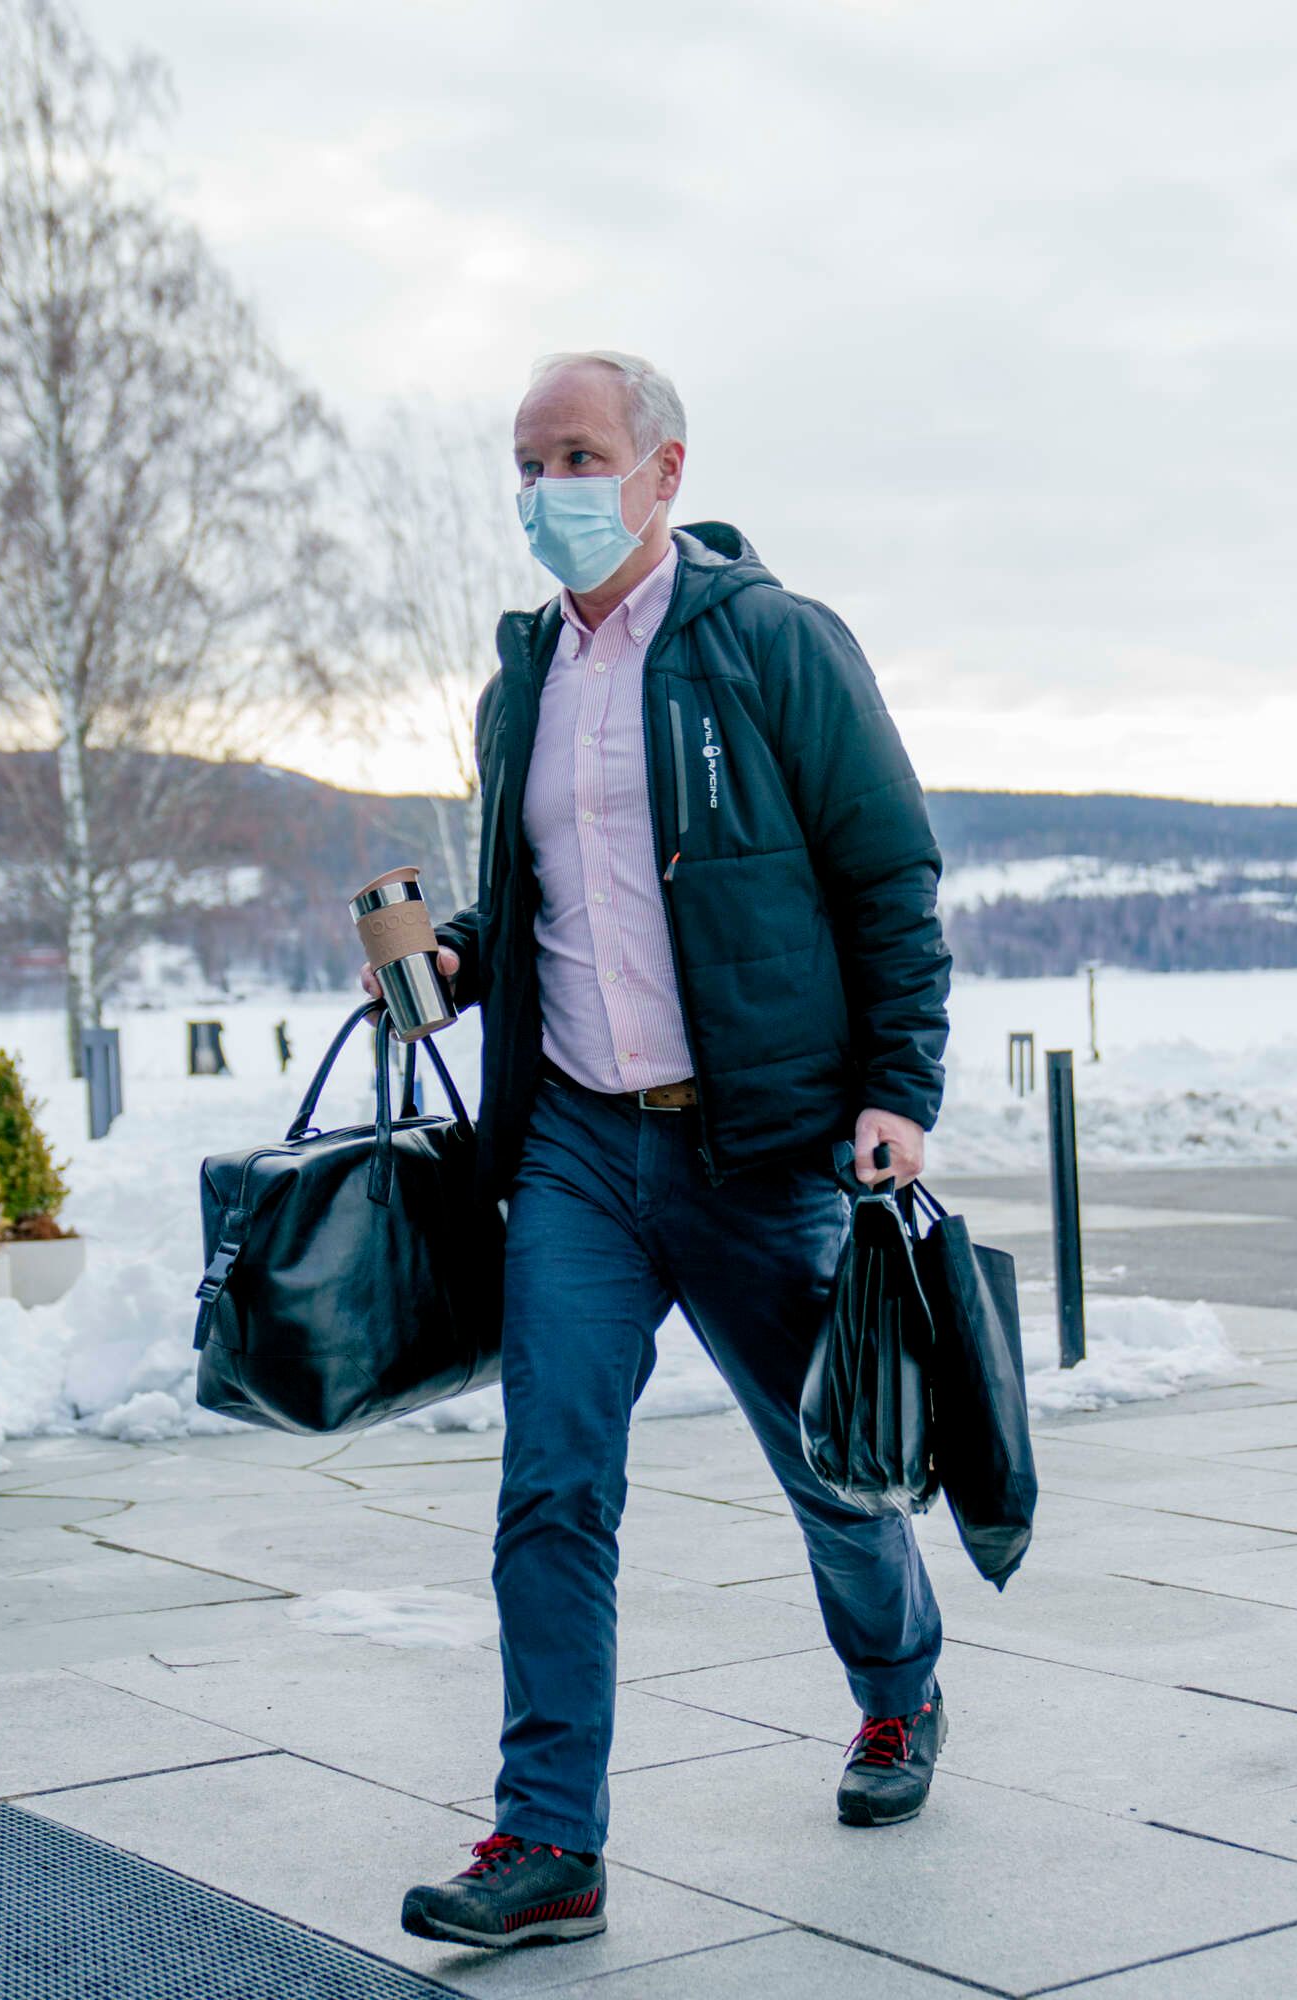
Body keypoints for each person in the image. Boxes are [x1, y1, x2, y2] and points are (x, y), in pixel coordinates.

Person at [365, 351, 953, 1950]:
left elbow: (888, 876)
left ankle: (899, 1690)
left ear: (663, 470)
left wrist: (897, 1089)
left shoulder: (774, 642)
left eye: (578, 454)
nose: (548, 488)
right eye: (528, 461)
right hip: (576, 1148)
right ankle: (550, 1839)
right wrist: (458, 954)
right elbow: (542, 897)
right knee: (552, 1483)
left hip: (756, 1146)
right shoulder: (522, 685)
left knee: (831, 1468)